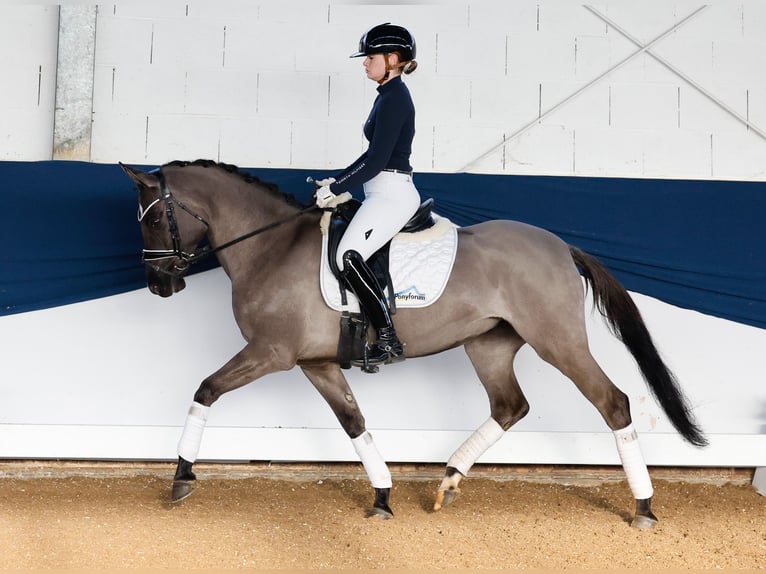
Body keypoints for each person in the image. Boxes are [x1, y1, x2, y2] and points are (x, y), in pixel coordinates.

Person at [314, 23, 421, 366]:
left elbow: (375, 161)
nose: (364, 63)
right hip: (380, 191)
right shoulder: (388, 96)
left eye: (370, 57)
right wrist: (340, 182)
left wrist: (337, 187)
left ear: (392, 59)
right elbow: (373, 157)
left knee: (348, 254)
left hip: (392, 194)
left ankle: (388, 339)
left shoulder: (396, 99)